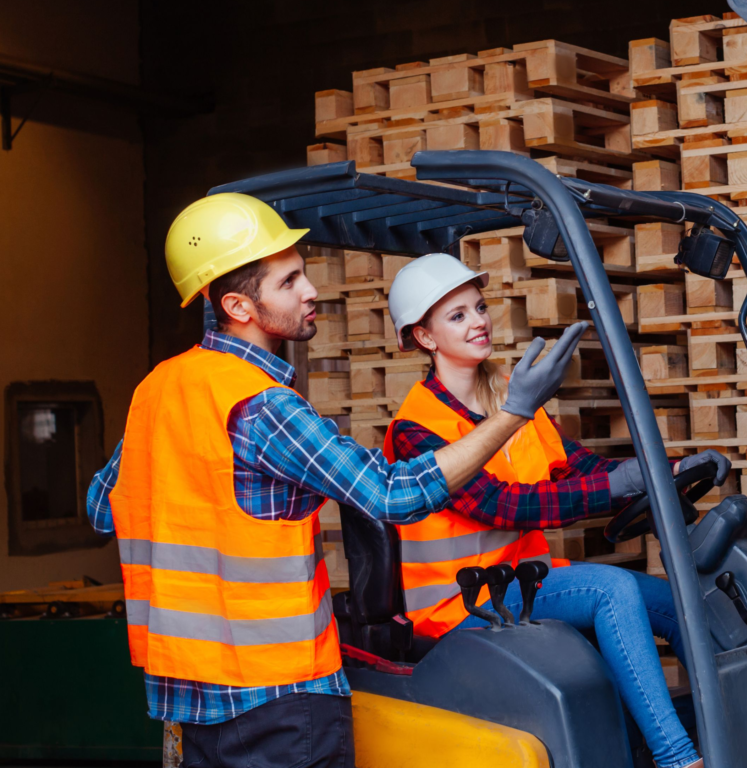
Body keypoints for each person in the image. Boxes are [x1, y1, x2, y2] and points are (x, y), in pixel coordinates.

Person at [86, 193, 586, 768]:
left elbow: (107, 507)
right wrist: (514, 411)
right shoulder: (264, 407)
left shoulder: (157, 390)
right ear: (237, 306)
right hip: (280, 698)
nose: (311, 290)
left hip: (189, 696)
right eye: (290, 280)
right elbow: (394, 494)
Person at [384, 254, 730, 768]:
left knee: (679, 600)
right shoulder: (417, 429)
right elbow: (503, 505)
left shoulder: (507, 398)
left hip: (520, 583)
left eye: (478, 308)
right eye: (457, 316)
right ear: (425, 338)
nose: (478, 321)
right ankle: (680, 758)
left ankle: (729, 731)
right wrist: (621, 483)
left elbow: (578, 467)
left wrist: (666, 470)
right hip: (460, 604)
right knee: (609, 589)